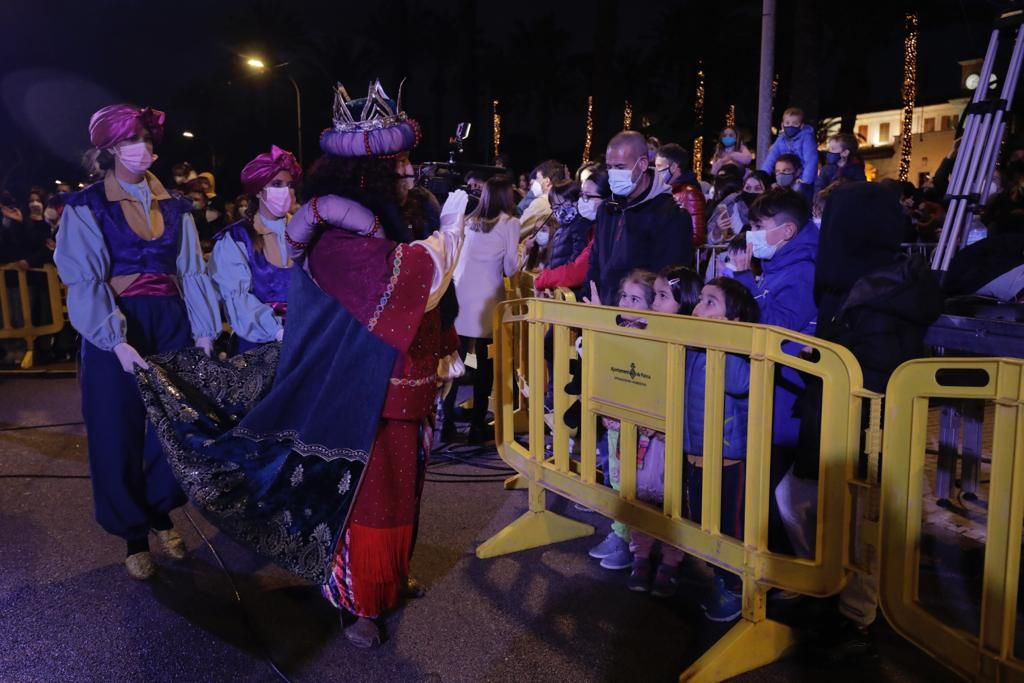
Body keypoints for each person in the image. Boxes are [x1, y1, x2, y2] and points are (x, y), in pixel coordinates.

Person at [133, 80, 464, 648]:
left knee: (402, 492)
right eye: (400, 162)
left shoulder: (383, 221)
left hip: (396, 386)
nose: (409, 172)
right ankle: (360, 599)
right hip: (355, 396)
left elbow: (425, 292)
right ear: (371, 172)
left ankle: (385, 581)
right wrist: (452, 234)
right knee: (366, 500)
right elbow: (416, 279)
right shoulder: (339, 232)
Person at [53, 103, 221, 580]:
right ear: (109, 149)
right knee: (115, 428)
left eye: (148, 141)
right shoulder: (86, 207)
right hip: (119, 323)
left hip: (171, 320)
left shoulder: (175, 204)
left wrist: (205, 329)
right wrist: (114, 340)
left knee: (179, 427)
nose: (144, 150)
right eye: (132, 141)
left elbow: (191, 269)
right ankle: (132, 535)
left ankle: (160, 511)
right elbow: (84, 281)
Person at [777, 181, 942, 662]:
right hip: (833, 417)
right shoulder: (850, 279)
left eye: (831, 218)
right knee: (799, 499)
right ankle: (827, 589)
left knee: (860, 526)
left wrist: (833, 360)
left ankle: (856, 621)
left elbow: (880, 366)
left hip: (869, 428)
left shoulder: (884, 287)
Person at [683, 277, 759, 621]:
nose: (699, 308)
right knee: (702, 519)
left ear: (734, 323)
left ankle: (735, 586)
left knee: (729, 525)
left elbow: (739, 383)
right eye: (700, 300)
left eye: (710, 303)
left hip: (727, 457)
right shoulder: (694, 347)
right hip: (696, 454)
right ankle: (721, 578)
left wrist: (727, 340)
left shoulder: (734, 356)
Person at [586, 269, 659, 571]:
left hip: (639, 427)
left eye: (636, 299)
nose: (627, 303)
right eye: (625, 297)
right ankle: (621, 535)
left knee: (635, 484)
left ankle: (631, 543)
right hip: (615, 422)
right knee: (617, 478)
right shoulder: (620, 326)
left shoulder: (650, 335)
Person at [442, 175, 522, 443]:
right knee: (484, 366)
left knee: (456, 361)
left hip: (460, 298)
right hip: (487, 301)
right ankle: (477, 426)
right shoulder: (510, 223)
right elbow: (510, 268)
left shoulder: (468, 221)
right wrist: (524, 253)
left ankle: (447, 424)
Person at [208, 145, 302, 353]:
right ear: (259, 191)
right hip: (258, 345)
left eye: (289, 185)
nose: (285, 192)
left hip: (305, 338)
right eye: (277, 184)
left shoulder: (305, 232)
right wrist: (278, 332)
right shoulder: (236, 238)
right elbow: (237, 299)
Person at [586, 131, 694, 305]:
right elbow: (595, 263)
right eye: (609, 167)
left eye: (620, 167)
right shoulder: (607, 209)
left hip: (641, 319)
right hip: (601, 312)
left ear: (643, 164)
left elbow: (669, 279)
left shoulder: (671, 215)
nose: (613, 174)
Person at [534, 165, 611, 295]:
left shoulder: (596, 230)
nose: (582, 201)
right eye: (582, 195)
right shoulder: (595, 228)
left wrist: (545, 280)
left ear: (607, 199)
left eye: (588, 196)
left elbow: (578, 269)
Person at [656, 143, 707, 246]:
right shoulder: (664, 191)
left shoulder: (690, 193)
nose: (656, 171)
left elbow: (697, 236)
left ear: (674, 167)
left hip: (675, 259)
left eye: (659, 166)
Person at [760, 107, 818, 194]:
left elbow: (811, 160)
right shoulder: (781, 139)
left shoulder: (807, 138)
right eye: (787, 123)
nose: (790, 126)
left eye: (795, 123)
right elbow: (771, 157)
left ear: (801, 125)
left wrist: (805, 181)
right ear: (782, 125)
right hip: (784, 175)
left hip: (800, 178)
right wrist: (763, 175)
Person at [519, 159, 567, 238]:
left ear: (547, 181)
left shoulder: (540, 202)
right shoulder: (563, 202)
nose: (535, 182)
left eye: (538, 178)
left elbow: (519, 230)